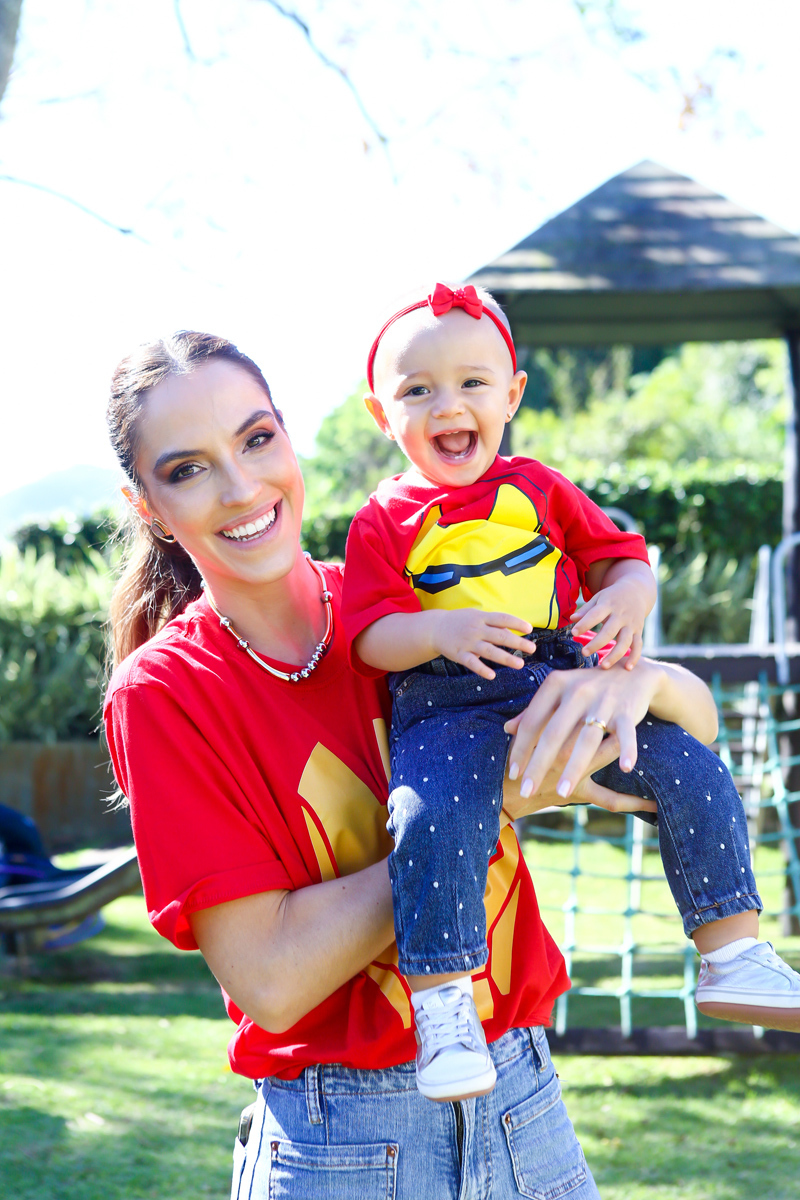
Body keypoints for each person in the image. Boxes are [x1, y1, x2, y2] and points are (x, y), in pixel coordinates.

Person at [103, 329, 723, 1200]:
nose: (241, 488)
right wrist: (484, 805)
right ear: (148, 507)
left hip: (527, 1104)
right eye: (187, 469)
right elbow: (272, 980)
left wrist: (642, 683)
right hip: (339, 1143)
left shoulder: (415, 602)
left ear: (288, 438)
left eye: (256, 439)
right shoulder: (165, 693)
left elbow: (695, 734)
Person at [341, 281, 800, 1101]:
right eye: (418, 391)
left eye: (473, 383)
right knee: (428, 817)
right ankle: (445, 1008)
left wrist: (629, 597)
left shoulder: (542, 488)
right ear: (382, 414)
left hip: (562, 682)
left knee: (686, 763)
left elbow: (623, 558)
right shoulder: (382, 518)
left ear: (512, 395)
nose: (449, 405)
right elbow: (369, 634)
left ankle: (733, 951)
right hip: (446, 704)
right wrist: (439, 632)